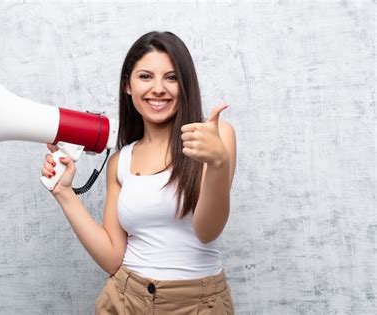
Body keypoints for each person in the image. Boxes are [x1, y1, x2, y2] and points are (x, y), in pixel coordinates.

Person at [42, 31, 236, 314]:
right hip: (126, 299)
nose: (158, 88)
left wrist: (218, 163)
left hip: (197, 303)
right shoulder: (120, 161)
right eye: (145, 76)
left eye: (171, 78)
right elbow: (112, 259)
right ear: (128, 86)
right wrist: (64, 193)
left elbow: (208, 231)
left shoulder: (214, 137)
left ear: (185, 85)